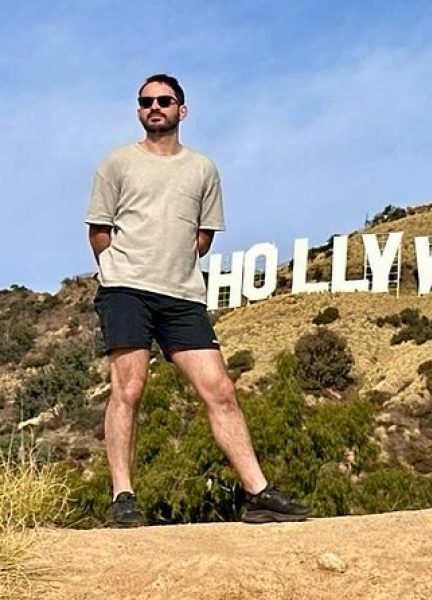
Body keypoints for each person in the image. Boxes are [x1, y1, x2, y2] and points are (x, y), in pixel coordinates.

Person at [86, 74, 310, 526]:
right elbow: (99, 230)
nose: (155, 107)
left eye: (164, 101)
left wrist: (171, 268)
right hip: (126, 288)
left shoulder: (202, 169)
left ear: (180, 110)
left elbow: (202, 237)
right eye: (146, 101)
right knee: (128, 389)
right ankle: (123, 497)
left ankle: (258, 493)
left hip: (183, 295)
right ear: (138, 110)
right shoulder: (117, 163)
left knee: (221, 390)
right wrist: (121, 271)